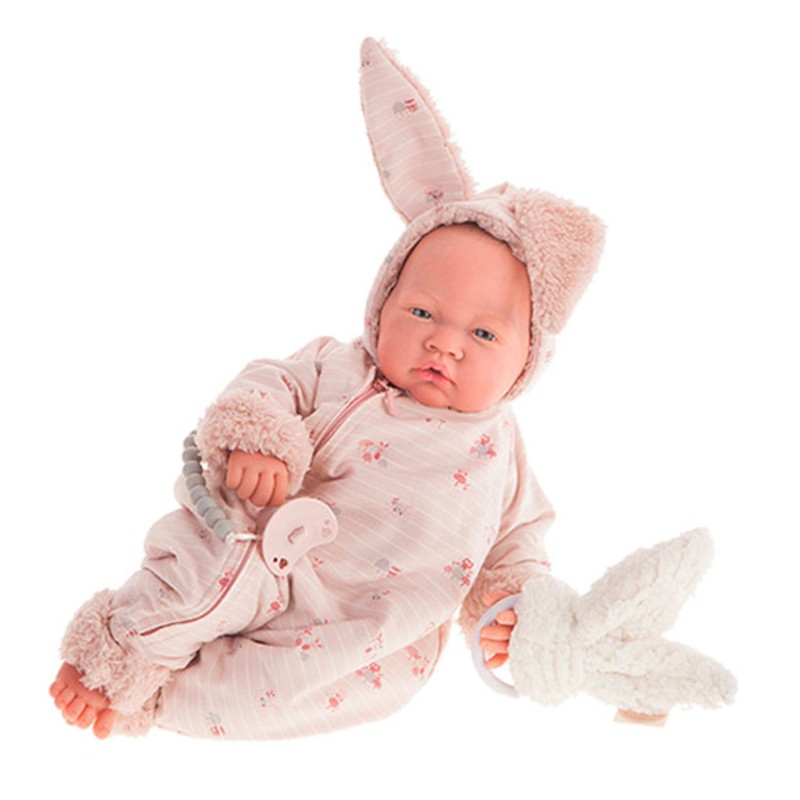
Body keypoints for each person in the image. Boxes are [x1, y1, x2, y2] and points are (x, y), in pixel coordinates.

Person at [49, 38, 608, 739]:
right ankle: (113, 662)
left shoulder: (498, 451)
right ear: (383, 301)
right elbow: (268, 383)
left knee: (283, 695)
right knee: (198, 573)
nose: (445, 343)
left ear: (529, 358)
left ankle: (157, 701)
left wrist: (513, 604)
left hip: (355, 628)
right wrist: (261, 440)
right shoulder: (339, 366)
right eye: (422, 312)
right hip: (256, 527)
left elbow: (520, 539)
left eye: (484, 334)